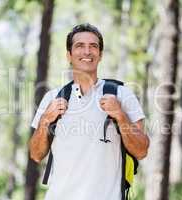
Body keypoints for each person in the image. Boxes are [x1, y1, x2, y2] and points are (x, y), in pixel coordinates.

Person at [29, 23, 149, 200]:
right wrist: (46, 119)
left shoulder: (122, 94)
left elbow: (142, 150)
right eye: (79, 46)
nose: (87, 51)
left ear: (100, 55)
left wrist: (121, 116)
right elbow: (35, 155)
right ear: (69, 55)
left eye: (93, 46)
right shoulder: (52, 98)